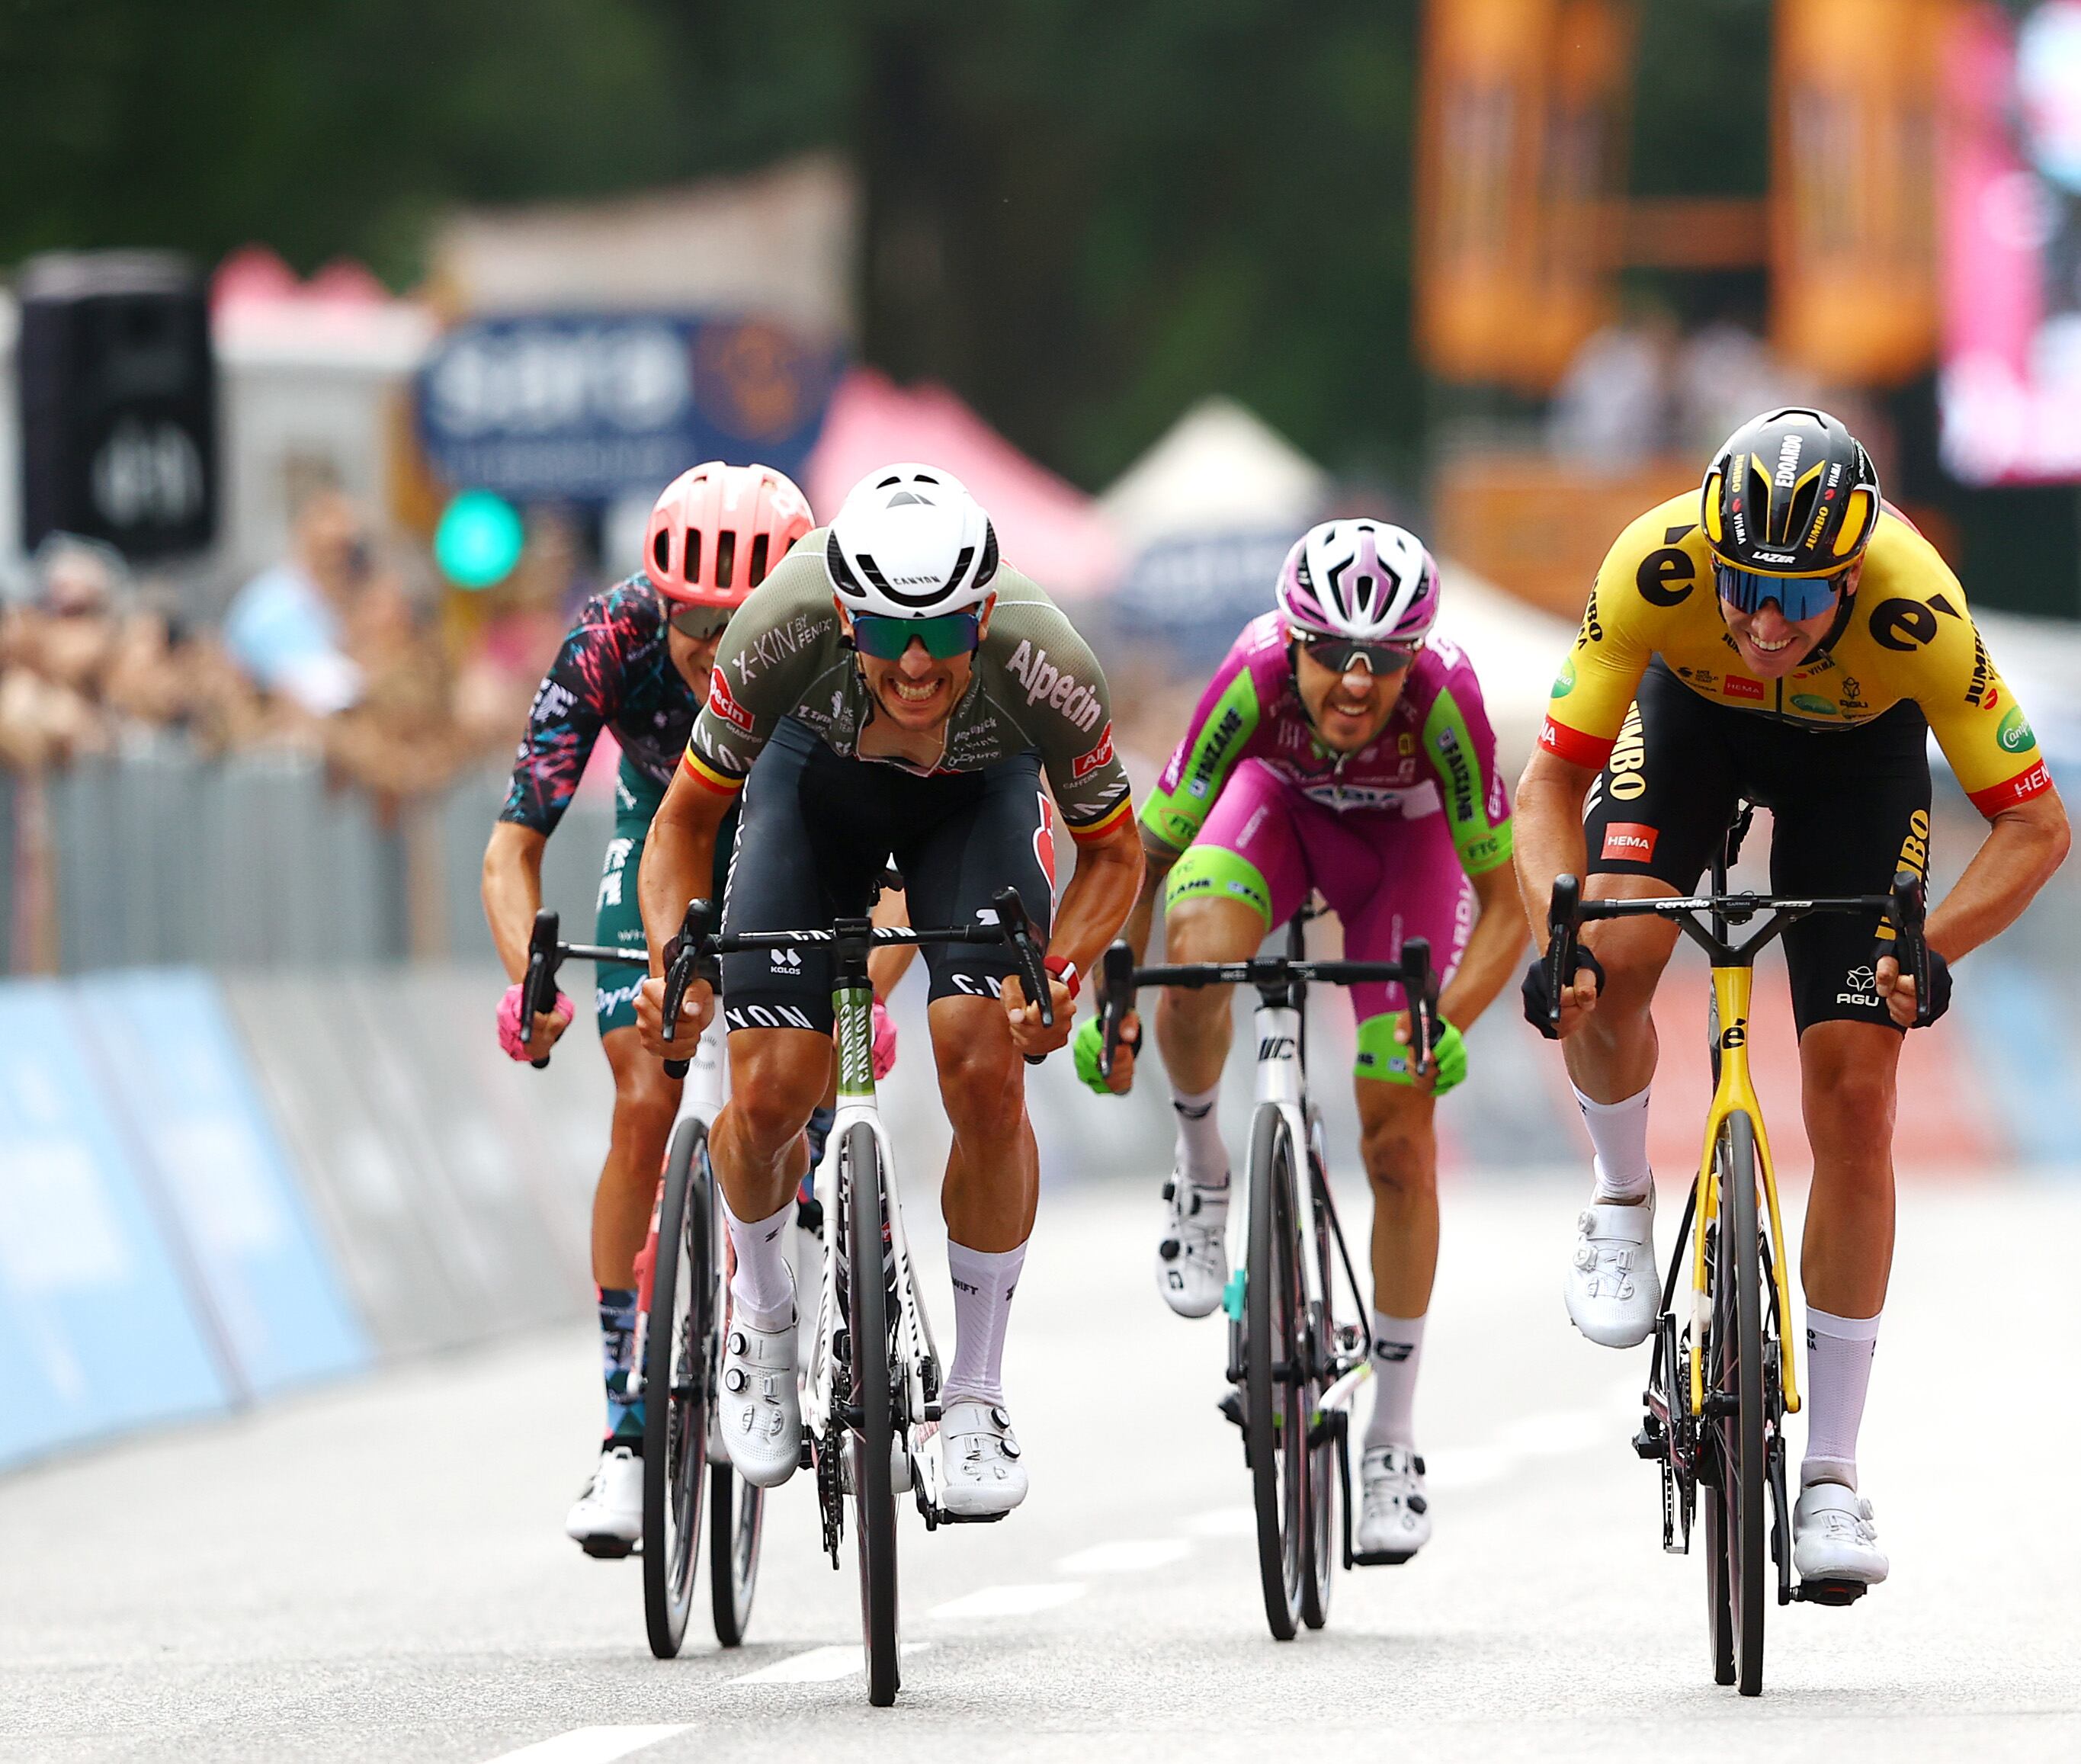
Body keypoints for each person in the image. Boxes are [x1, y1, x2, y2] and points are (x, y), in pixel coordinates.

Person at [1513, 409, 2070, 1602]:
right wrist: (1551, 923)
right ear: (1707, 558)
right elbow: (1548, 780)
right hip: (1690, 732)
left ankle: (1828, 1475)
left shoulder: (1917, 607)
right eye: (1744, 591)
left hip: (1858, 764)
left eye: (1800, 599)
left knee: (1856, 1087)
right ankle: (1618, 1199)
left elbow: (2035, 824)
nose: (1765, 624)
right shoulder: (1652, 565)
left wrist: (1929, 945)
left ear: (1852, 572)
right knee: (1605, 962)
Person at [635, 463, 1144, 1520]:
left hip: (974, 803)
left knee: (985, 1066)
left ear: (984, 616)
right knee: (772, 1091)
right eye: (888, 635)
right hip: (811, 788)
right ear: (842, 614)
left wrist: (1059, 974)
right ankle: (766, 1317)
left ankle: (975, 1392)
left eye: (945, 636)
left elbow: (1113, 854)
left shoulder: (1047, 663)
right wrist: (669, 962)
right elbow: (683, 823)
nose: (916, 664)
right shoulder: (776, 628)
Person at [1073, 518, 1526, 1565]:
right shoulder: (1248, 674)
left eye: (1382, 660)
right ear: (1293, 639)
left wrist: (1444, 1021)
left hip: (1400, 857)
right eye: (1330, 653)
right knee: (1192, 949)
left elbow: (1506, 905)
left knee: (1396, 1134)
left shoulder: (1447, 702)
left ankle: (1393, 1441)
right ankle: (1201, 1171)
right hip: (1271, 816)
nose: (1355, 683)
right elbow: (1145, 852)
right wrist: (1115, 996)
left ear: (1414, 655)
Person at [479, 460, 903, 1556]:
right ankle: (628, 1428)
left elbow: (906, 842)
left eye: (742, 623)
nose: (716, 649)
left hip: (802, 829)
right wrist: (527, 978)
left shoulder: (850, 637)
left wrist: (873, 984)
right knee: (642, 1089)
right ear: (655, 598)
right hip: (664, 828)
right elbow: (512, 845)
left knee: (798, 1097)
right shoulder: (609, 636)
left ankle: (806, 1301)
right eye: (693, 624)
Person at [223, 488, 372, 717]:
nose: (338, 561)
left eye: (346, 549)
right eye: (330, 549)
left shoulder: (360, 597)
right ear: (304, 537)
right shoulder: (269, 610)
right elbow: (319, 692)